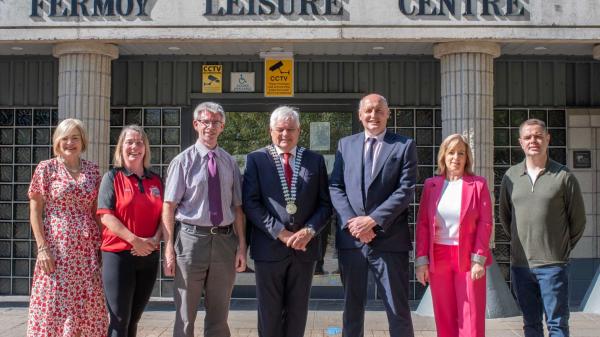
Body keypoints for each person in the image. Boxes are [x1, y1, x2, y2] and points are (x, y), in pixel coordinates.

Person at [329, 93, 417, 337]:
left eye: (379, 111)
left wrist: (372, 220)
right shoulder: (345, 145)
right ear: (360, 115)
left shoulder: (403, 145)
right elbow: (335, 186)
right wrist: (353, 223)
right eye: (368, 110)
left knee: (397, 308)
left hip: (389, 240)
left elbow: (406, 189)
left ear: (388, 114)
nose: (373, 115)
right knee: (351, 309)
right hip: (352, 240)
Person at [243, 106, 332, 337]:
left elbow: (325, 204)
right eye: (280, 129)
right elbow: (251, 203)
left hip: (304, 249)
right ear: (270, 131)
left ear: (299, 131)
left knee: (297, 313)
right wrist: (280, 232)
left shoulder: (315, 160)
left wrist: (310, 230)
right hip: (268, 248)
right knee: (269, 315)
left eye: (290, 129)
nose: (285, 134)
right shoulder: (256, 159)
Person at [162, 102, 247, 337]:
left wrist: (241, 247)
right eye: (205, 122)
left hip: (224, 242)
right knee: (185, 316)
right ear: (196, 125)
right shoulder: (183, 161)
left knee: (219, 316)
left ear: (223, 127)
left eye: (216, 123)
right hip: (190, 241)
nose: (210, 127)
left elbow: (238, 208)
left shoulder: (230, 162)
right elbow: (168, 206)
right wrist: (168, 248)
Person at [499, 118, 586, 337]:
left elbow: (578, 221)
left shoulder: (563, 176)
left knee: (557, 325)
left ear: (547, 139)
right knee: (530, 325)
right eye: (528, 137)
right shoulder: (510, 176)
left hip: (553, 265)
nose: (533, 141)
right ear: (520, 142)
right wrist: (523, 243)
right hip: (521, 265)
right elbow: (505, 217)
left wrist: (559, 247)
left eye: (538, 136)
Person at [27, 118, 108, 336]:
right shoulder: (46, 169)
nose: (70, 143)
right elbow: (35, 211)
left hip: (87, 251)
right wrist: (42, 248)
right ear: (57, 142)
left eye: (75, 138)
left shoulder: (92, 170)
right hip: (57, 250)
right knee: (54, 302)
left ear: (83, 141)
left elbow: (95, 212)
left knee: (87, 305)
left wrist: (104, 246)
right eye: (65, 138)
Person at [415, 134, 493, 337]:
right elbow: (423, 224)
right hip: (438, 257)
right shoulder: (431, 185)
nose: (455, 157)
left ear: (467, 157)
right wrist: (421, 261)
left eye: (461, 153)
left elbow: (485, 223)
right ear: (443, 156)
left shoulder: (478, 185)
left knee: (471, 315)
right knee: (444, 314)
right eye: (451, 152)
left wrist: (479, 259)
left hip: (468, 258)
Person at [97, 125, 164, 337]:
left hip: (149, 256)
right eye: (129, 142)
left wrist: (154, 239)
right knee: (119, 320)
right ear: (121, 147)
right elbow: (106, 216)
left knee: (134, 319)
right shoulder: (112, 177)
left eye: (139, 142)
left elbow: (165, 215)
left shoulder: (156, 180)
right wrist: (135, 241)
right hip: (118, 256)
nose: (134, 147)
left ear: (145, 148)